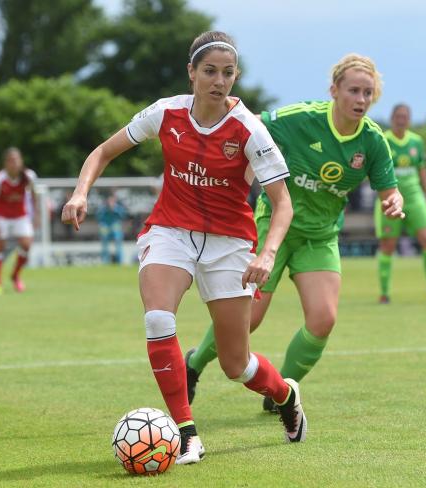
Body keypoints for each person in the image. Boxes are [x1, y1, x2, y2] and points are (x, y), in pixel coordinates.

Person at [61, 31, 306, 465]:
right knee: (158, 318)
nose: (219, 80)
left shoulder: (249, 129)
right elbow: (102, 152)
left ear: (236, 77)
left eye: (228, 73)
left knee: (237, 365)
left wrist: (266, 254)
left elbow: (283, 202)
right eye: (209, 71)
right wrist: (81, 193)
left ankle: (286, 396)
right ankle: (187, 433)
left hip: (229, 244)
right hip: (169, 231)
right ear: (191, 73)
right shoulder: (166, 112)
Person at [185, 54, 405, 413]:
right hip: (273, 226)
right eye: (353, 90)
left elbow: (388, 189)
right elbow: (251, 124)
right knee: (249, 320)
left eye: (368, 93)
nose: (361, 99)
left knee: (323, 320)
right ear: (334, 90)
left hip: (319, 237)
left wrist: (394, 201)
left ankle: (281, 392)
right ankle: (194, 364)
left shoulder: (372, 141)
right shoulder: (300, 118)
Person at [375, 104, 426, 303]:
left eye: (405, 116)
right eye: (398, 116)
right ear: (392, 118)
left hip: (415, 197)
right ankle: (384, 293)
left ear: (409, 119)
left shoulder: (416, 141)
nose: (401, 120)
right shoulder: (382, 139)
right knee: (388, 246)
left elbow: (422, 170)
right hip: (390, 198)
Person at [0, 147, 38, 295]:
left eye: (16, 160)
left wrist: (36, 214)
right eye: (11, 160)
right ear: (5, 163)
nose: (14, 163)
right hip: (2, 217)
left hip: (20, 216)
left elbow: (34, 194)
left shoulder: (28, 176)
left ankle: (15, 275)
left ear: (21, 161)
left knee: (26, 245)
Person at [96, 193, 127, 263]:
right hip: (106, 226)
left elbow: (123, 216)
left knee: (118, 241)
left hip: (115, 226)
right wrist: (107, 210)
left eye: (112, 201)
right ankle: (105, 261)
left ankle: (120, 261)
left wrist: (114, 209)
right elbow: (98, 217)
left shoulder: (118, 208)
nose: (111, 202)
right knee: (104, 243)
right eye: (110, 201)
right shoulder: (103, 208)